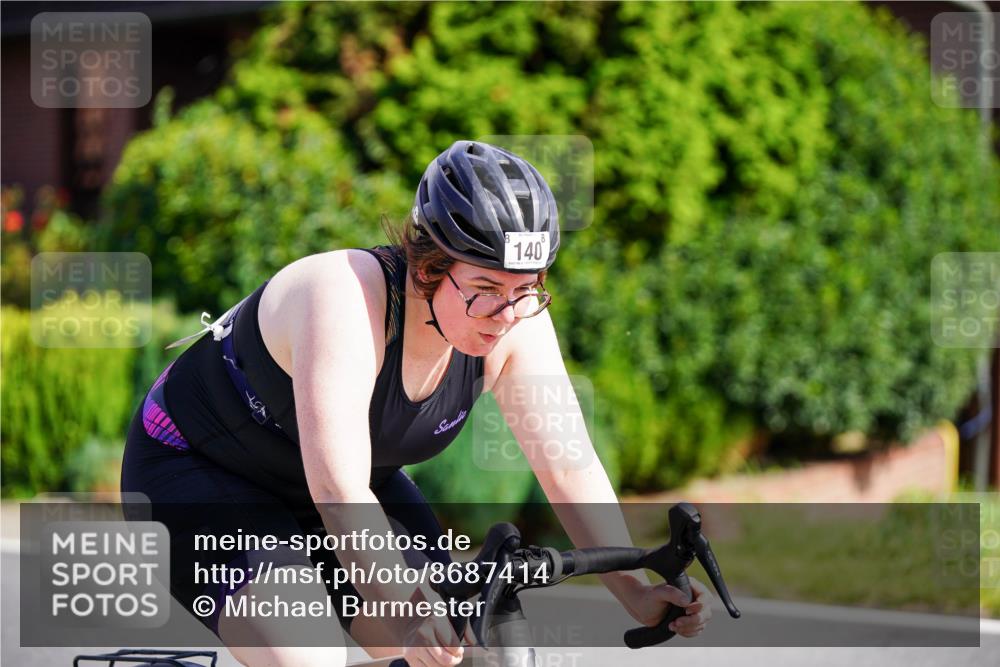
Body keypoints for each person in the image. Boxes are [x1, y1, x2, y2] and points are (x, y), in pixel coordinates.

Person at [121, 140, 714, 667]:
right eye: (484, 290)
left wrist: (634, 590)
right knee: (311, 652)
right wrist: (408, 600)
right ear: (430, 268)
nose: (507, 315)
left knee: (465, 640)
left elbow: (569, 465)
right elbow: (339, 493)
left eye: (525, 290)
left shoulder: (516, 324)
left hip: (337, 486)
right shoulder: (345, 297)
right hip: (200, 470)